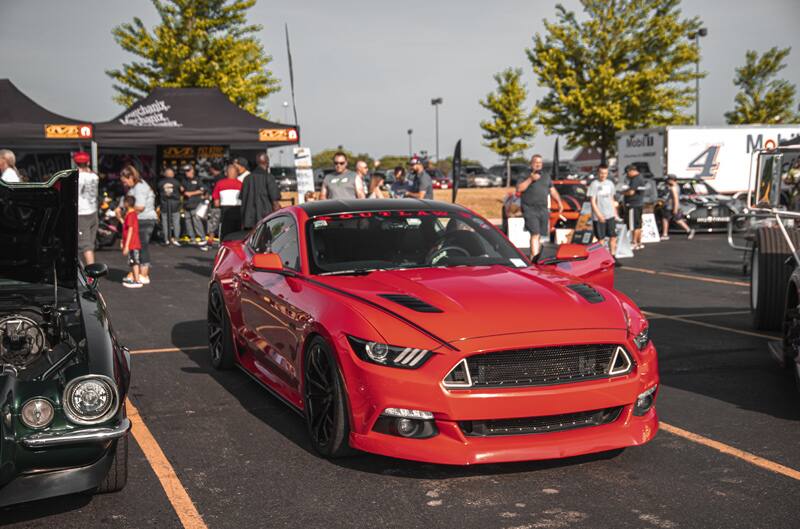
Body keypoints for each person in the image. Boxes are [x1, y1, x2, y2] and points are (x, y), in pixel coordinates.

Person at [516, 154, 563, 260]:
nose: (538, 164)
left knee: (540, 235)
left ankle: (535, 256)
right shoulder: (525, 174)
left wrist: (559, 202)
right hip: (530, 209)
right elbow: (519, 189)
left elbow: (552, 190)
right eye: (536, 162)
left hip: (543, 209)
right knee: (535, 233)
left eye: (540, 162)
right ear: (531, 163)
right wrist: (530, 179)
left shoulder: (546, 176)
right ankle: (533, 258)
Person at [117, 165, 156, 284]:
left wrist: (124, 209)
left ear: (131, 177)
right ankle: (137, 272)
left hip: (144, 220)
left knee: (141, 246)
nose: (124, 184)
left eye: (125, 181)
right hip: (140, 219)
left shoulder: (139, 187)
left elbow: (140, 207)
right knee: (137, 247)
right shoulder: (134, 187)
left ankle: (143, 274)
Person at [241, 152, 281, 229]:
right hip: (265, 219)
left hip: (248, 220)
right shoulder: (269, 177)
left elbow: (243, 199)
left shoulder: (247, 179)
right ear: (267, 163)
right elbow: (275, 201)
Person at [587, 163, 618, 255]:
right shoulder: (594, 184)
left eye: (605, 173)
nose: (603, 175)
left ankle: (613, 256)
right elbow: (592, 201)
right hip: (599, 216)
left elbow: (612, 199)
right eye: (601, 173)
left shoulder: (610, 184)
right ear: (598, 173)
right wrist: (599, 214)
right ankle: (602, 257)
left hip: (610, 215)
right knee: (601, 239)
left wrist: (615, 213)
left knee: (613, 237)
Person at [74, 151, 99, 265]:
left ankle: (91, 275)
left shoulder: (76, 177)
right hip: (93, 212)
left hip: (81, 213)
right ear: (88, 162)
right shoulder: (94, 176)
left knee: (85, 245)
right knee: (89, 244)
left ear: (75, 162)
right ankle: (88, 271)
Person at [213, 164, 244, 239]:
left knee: (225, 236)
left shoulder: (219, 183)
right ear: (237, 173)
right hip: (238, 211)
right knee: (237, 235)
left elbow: (216, 203)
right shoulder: (242, 184)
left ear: (226, 173)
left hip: (225, 212)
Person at [661, 174, 696, 240]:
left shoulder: (673, 188)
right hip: (672, 206)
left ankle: (665, 234)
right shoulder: (676, 186)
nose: (667, 181)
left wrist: (675, 208)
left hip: (671, 206)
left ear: (671, 180)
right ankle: (689, 230)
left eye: (668, 180)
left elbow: (675, 198)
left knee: (666, 219)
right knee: (677, 220)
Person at [623, 165, 648, 250]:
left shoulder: (635, 179)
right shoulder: (640, 177)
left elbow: (631, 192)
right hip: (639, 204)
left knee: (633, 225)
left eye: (627, 173)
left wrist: (622, 193)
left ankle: (634, 242)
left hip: (633, 204)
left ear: (631, 171)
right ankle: (639, 242)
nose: (627, 175)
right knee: (638, 224)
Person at [121, 195, 143, 289]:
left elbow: (130, 230)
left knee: (134, 261)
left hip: (132, 243)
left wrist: (126, 245)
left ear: (126, 203)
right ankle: (135, 277)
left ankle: (137, 280)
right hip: (132, 243)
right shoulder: (131, 214)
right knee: (132, 260)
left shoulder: (131, 215)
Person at [181, 164, 206, 246]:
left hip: (195, 203)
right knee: (188, 221)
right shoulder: (184, 180)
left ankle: (202, 237)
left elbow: (202, 190)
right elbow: (182, 190)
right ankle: (192, 238)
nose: (186, 173)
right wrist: (183, 191)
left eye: (188, 171)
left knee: (196, 221)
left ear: (192, 171)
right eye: (185, 171)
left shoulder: (198, 179)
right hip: (186, 203)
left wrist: (191, 193)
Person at [157, 167, 182, 246]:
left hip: (164, 204)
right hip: (175, 204)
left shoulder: (160, 183)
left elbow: (158, 191)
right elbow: (181, 190)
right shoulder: (177, 182)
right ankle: (176, 239)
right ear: (172, 174)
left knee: (165, 222)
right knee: (176, 222)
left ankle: (166, 239)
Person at [205, 163, 224, 245]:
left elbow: (215, 192)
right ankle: (220, 238)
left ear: (213, 169)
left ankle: (211, 238)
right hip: (225, 203)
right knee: (220, 222)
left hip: (216, 202)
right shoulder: (224, 178)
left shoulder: (216, 179)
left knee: (213, 221)